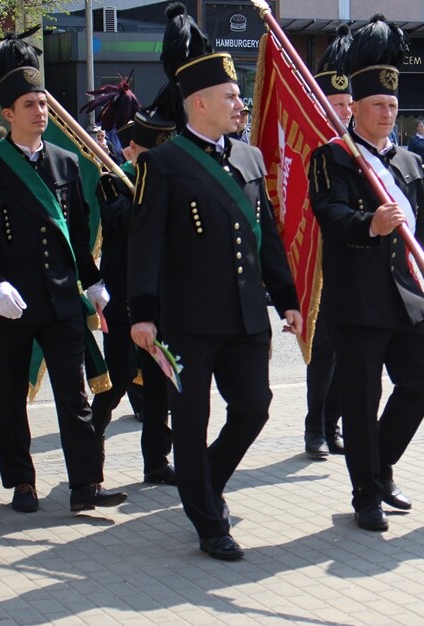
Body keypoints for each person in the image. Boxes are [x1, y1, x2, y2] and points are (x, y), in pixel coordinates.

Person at [128, 4, 301, 562]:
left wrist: (287, 298)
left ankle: (202, 482)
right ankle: (208, 522)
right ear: (198, 103)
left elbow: (265, 237)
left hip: (245, 315)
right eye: (230, 96)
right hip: (188, 320)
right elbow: (145, 246)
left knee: (254, 407)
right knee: (192, 419)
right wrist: (142, 313)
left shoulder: (249, 157)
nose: (239, 103)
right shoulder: (163, 164)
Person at [0, 33, 127, 514]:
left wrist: (93, 281)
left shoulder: (66, 163)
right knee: (9, 398)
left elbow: (77, 231)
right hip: (11, 302)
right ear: (8, 113)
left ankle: (86, 485)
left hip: (60, 299)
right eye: (30, 105)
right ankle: (22, 483)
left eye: (44, 103)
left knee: (74, 397)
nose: (40, 111)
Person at [308, 14, 424, 532]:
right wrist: (367, 223)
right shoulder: (333, 157)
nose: (388, 114)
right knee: (361, 399)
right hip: (358, 298)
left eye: (393, 106)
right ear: (356, 108)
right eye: (378, 106)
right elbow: (327, 213)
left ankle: (380, 466)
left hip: (408, 294)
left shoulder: (409, 162)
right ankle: (365, 495)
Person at [90, 111, 177, 485]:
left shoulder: (173, 183)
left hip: (160, 299)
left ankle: (156, 461)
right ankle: (89, 452)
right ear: (133, 150)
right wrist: (150, 192)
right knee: (117, 379)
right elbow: (126, 221)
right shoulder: (112, 181)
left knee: (160, 384)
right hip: (124, 298)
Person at [303, 24, 355, 460]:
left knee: (348, 350)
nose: (345, 111)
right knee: (323, 350)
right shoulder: (311, 146)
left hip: (354, 257)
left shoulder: (359, 145)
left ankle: (333, 424)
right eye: (337, 104)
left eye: (348, 103)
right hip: (317, 258)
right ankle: (314, 427)